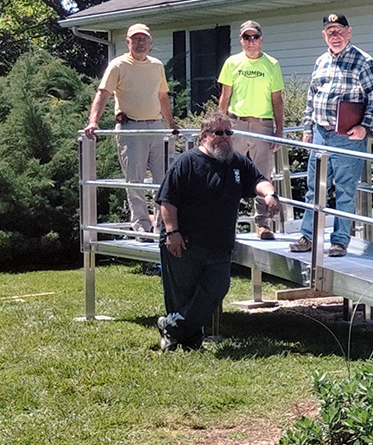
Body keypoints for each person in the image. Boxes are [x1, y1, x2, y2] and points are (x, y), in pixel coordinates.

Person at [155, 111, 279, 351]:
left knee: (217, 288)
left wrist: (269, 194)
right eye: (219, 133)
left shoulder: (236, 162)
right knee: (183, 295)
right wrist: (172, 232)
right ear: (204, 136)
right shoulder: (187, 162)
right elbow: (167, 200)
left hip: (219, 245)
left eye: (229, 133)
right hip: (184, 240)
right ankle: (188, 341)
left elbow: (258, 180)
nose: (226, 138)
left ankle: (170, 327)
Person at [288, 13, 373, 257]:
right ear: (324, 36)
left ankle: (340, 241)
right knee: (314, 189)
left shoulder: (363, 61)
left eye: (339, 31)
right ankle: (308, 236)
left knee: (345, 191)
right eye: (330, 32)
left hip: (347, 137)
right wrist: (307, 129)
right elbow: (312, 98)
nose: (335, 36)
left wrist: (365, 127)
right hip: (321, 134)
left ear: (349, 32)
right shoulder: (321, 61)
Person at [84, 23, 178, 234]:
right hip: (131, 128)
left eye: (143, 39)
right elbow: (103, 93)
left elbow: (163, 97)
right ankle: (142, 226)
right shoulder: (118, 65)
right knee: (134, 180)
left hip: (156, 127)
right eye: (135, 39)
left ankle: (162, 226)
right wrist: (93, 121)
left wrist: (171, 125)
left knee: (163, 179)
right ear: (128, 42)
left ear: (150, 42)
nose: (140, 43)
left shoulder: (156, 66)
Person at [218, 20, 285, 240]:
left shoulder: (272, 64)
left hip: (262, 125)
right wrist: (220, 127)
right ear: (241, 40)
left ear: (261, 39)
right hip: (236, 124)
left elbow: (277, 100)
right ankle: (227, 222)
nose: (251, 42)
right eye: (246, 37)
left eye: (254, 37)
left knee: (262, 176)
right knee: (229, 173)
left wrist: (279, 130)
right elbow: (225, 97)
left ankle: (263, 224)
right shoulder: (232, 63)